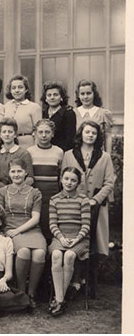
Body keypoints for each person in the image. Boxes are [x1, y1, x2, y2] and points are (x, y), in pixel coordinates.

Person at [61, 120, 115, 297]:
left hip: (96, 208)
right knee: (75, 242)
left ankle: (90, 283)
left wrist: (96, 200)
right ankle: (74, 282)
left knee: (93, 245)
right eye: (87, 132)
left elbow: (109, 182)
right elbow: (64, 179)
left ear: (97, 136)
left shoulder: (104, 156)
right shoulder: (69, 154)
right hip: (74, 207)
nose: (90, 135)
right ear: (81, 134)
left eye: (94, 133)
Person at [0, 158, 46, 308]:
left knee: (39, 253)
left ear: (25, 173)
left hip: (31, 229)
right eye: (13, 171)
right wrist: (11, 231)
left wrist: (18, 231)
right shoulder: (2, 192)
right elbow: (0, 216)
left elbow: (36, 218)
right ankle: (21, 292)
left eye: (19, 171)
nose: (16, 174)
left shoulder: (35, 192)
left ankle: (31, 293)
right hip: (9, 229)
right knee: (23, 251)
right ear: (9, 173)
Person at [48, 167, 91, 316]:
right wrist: (61, 238)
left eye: (73, 180)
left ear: (78, 183)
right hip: (60, 237)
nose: (69, 182)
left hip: (79, 238)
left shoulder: (83, 200)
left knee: (69, 256)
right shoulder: (54, 199)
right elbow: (53, 224)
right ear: (61, 179)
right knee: (56, 256)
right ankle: (61, 299)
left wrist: (76, 239)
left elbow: (86, 225)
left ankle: (58, 299)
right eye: (66, 179)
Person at [27, 119, 64, 240]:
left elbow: (60, 174)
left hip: (52, 194)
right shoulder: (30, 151)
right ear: (35, 133)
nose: (43, 135)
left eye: (47, 132)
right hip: (35, 194)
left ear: (52, 134)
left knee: (50, 223)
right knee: (36, 223)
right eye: (40, 132)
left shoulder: (58, 152)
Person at [73, 80, 113, 154]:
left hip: (98, 154)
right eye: (82, 94)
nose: (85, 97)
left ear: (94, 94)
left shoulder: (103, 113)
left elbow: (108, 136)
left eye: (88, 93)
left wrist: (108, 156)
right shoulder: (73, 113)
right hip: (77, 154)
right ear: (78, 95)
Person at [3, 75, 42, 149]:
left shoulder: (34, 107)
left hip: (27, 144)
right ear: (10, 91)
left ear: (26, 89)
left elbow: (38, 131)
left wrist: (36, 149)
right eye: (13, 88)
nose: (17, 90)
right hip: (9, 144)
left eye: (20, 87)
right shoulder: (6, 106)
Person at [0, 117, 34, 189]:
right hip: (0, 191)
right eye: (4, 132)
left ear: (15, 134)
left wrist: (15, 189)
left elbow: (30, 178)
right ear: (0, 135)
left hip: (17, 190)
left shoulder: (23, 153)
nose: (7, 134)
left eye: (10, 132)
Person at [41, 80, 76, 152]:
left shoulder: (68, 113)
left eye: (55, 95)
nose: (52, 97)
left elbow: (70, 138)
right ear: (46, 98)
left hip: (62, 151)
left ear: (61, 97)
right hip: (44, 150)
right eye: (49, 95)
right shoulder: (43, 113)